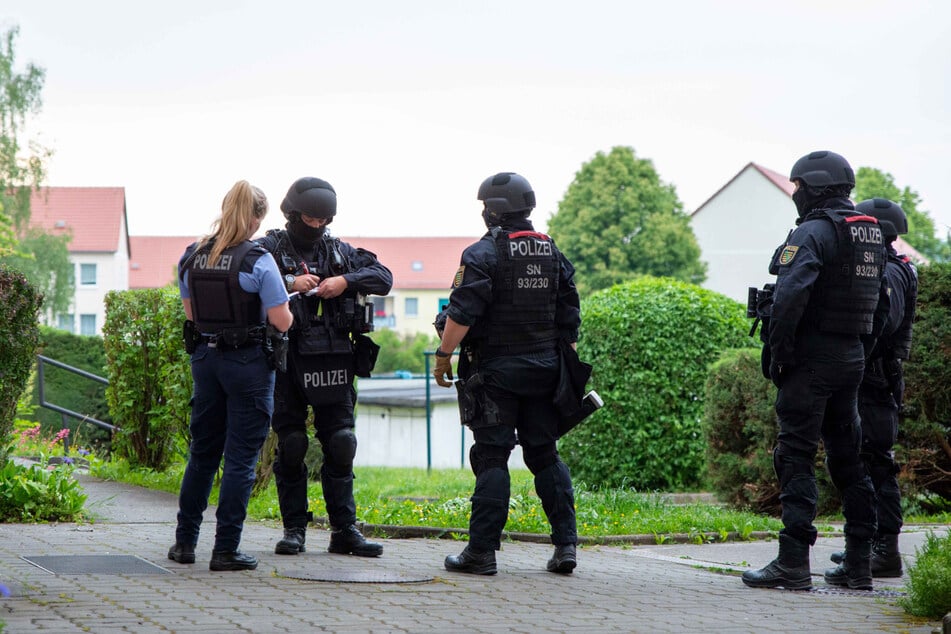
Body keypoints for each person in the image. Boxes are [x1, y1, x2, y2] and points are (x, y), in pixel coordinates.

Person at [741, 151, 885, 591]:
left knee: (795, 456)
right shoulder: (869, 235)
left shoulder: (813, 233)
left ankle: (793, 561)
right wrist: (860, 350)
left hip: (812, 361)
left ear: (816, 188)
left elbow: (788, 300)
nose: (795, 194)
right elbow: (880, 306)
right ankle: (859, 562)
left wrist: (780, 354)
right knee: (849, 459)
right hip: (852, 359)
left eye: (798, 186)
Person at [434, 172, 582, 575]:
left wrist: (443, 355)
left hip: (496, 373)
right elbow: (570, 318)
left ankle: (481, 553)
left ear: (493, 211)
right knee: (545, 453)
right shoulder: (552, 251)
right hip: (547, 369)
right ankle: (566, 547)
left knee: (493, 455)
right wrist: (566, 371)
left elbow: (462, 313)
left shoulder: (482, 254)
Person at [256, 177, 392, 557]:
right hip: (288, 360)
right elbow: (241, 276)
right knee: (294, 443)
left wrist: (344, 281)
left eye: (323, 220)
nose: (316, 226)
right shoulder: (269, 249)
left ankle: (344, 530)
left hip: (335, 358)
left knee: (342, 443)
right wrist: (288, 281)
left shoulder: (339, 251)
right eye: (309, 219)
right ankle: (294, 529)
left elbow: (384, 277)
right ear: (293, 214)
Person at [169, 180, 293, 571]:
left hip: (206, 361)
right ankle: (226, 550)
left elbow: (192, 316)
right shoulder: (258, 259)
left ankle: (184, 544)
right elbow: (282, 320)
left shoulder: (192, 256)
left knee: (202, 454)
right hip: (249, 365)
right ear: (257, 217)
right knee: (239, 459)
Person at [827, 198, 917, 580]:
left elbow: (883, 323)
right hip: (876, 379)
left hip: (877, 381)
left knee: (875, 463)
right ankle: (866, 544)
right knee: (868, 460)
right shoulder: (889, 268)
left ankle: (885, 550)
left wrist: (856, 351)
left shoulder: (891, 274)